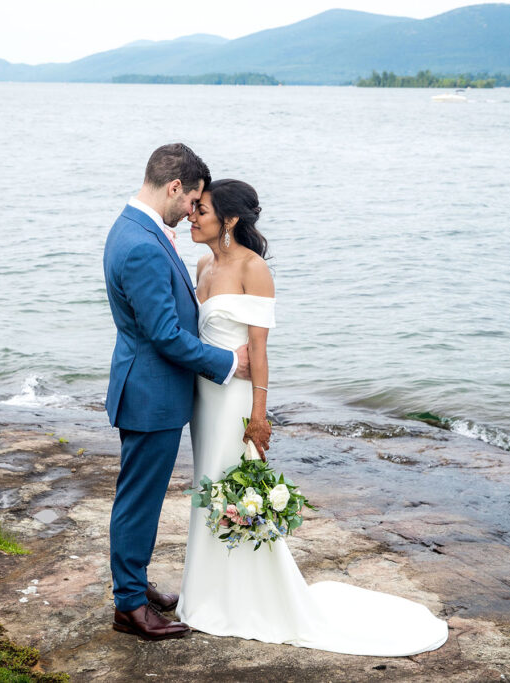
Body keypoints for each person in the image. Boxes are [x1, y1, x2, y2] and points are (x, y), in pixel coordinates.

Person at [176, 179, 449, 656]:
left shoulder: (253, 269)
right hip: (204, 399)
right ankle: (208, 594)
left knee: (232, 487)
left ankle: (253, 598)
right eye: (192, 208)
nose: (191, 216)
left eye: (201, 210)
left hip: (236, 403)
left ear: (231, 220)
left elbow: (259, 351)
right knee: (208, 487)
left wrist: (259, 416)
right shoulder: (201, 265)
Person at [103, 143, 251, 641]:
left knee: (138, 494)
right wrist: (228, 361)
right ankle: (129, 606)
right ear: (174, 188)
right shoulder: (143, 242)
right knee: (138, 500)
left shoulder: (135, 226)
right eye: (190, 201)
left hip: (147, 387)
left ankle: (137, 586)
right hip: (151, 394)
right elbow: (165, 335)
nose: (191, 211)